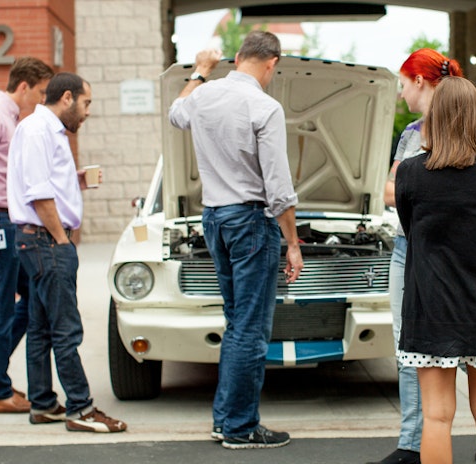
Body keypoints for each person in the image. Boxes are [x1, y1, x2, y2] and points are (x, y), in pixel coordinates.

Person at [368, 48, 476, 464]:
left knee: (438, 417)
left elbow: (409, 223)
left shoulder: (409, 174)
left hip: (431, 303)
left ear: (436, 116)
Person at [168, 31, 303, 450]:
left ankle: (226, 419)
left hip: (214, 219)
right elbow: (278, 186)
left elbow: (176, 113)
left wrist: (200, 71)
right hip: (249, 221)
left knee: (236, 323)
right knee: (250, 328)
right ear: (271, 63)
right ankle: (241, 426)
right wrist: (293, 242)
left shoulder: (204, 95)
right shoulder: (264, 106)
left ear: (239, 57)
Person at [7, 72, 126, 433]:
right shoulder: (38, 130)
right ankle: (81, 409)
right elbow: (39, 193)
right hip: (46, 240)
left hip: (40, 239)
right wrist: (61, 239)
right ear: (68, 97)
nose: (87, 113)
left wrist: (74, 181)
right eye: (87, 103)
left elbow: (47, 184)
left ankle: (43, 404)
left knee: (41, 325)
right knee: (66, 329)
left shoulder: (47, 130)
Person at [0, 57, 53, 414]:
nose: (42, 100)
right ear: (24, 86)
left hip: (9, 222)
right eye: (42, 92)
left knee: (32, 301)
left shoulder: (14, 120)